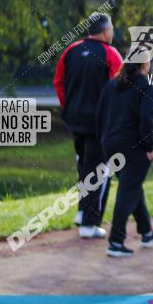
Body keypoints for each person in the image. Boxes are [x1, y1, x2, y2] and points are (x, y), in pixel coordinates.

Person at [53, 13, 123, 238]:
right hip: (100, 124)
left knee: (85, 167)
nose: (112, 32)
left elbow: (59, 83)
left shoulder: (70, 51)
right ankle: (90, 225)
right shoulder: (110, 54)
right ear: (105, 31)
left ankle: (83, 214)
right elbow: (119, 91)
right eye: (111, 28)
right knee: (100, 172)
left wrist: (68, 108)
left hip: (75, 122)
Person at [96, 51, 153, 257]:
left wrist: (104, 141)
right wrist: (150, 147)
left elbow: (99, 116)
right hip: (134, 147)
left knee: (131, 187)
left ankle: (147, 231)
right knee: (128, 191)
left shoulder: (111, 85)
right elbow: (146, 120)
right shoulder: (145, 86)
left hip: (110, 144)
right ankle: (116, 242)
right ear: (144, 65)